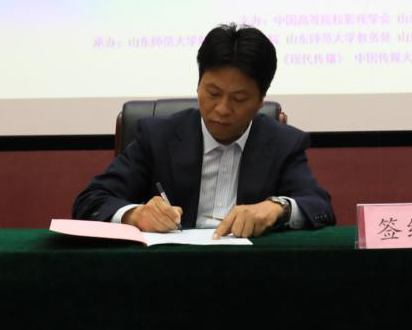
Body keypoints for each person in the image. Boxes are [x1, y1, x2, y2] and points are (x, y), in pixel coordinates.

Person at [73, 24, 335, 237]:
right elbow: (91, 201)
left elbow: (319, 206)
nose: (222, 109)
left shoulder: (282, 143)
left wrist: (276, 208)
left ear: (260, 101)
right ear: (198, 85)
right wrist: (135, 214)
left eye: (239, 99)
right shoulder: (158, 137)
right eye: (213, 93)